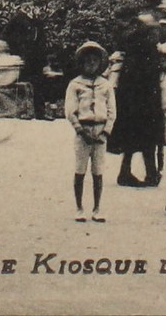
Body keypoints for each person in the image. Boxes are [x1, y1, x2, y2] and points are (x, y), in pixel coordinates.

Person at [109, 4, 166, 185]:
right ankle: (144, 172)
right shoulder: (137, 33)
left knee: (139, 132)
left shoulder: (136, 32)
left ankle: (147, 172)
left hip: (137, 88)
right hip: (139, 89)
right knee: (143, 131)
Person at [65, 41, 115, 222]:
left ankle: (97, 208)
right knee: (80, 170)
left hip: (100, 132)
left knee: (98, 171)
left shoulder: (106, 85)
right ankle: (79, 208)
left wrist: (105, 132)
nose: (91, 64)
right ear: (82, 63)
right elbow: (70, 111)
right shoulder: (75, 84)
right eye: (88, 61)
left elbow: (112, 111)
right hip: (83, 132)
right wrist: (80, 130)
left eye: (95, 60)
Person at [3, 0, 51, 120]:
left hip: (36, 58)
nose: (28, 4)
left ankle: (40, 112)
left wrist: (44, 60)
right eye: (25, 2)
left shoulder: (37, 20)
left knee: (39, 85)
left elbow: (42, 40)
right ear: (20, 5)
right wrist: (17, 51)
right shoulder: (16, 19)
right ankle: (23, 111)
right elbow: (7, 37)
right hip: (24, 57)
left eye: (30, 1)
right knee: (23, 84)